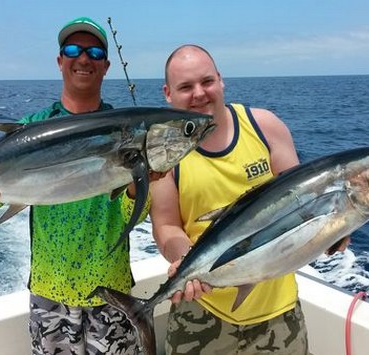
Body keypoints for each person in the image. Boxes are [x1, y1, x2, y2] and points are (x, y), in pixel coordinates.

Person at [0, 17, 150, 354]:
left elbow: (137, 216)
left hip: (111, 292)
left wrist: (138, 183)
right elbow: (2, 193)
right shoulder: (32, 126)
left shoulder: (125, 130)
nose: (83, 58)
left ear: (106, 66)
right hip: (49, 294)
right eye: (73, 49)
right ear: (60, 61)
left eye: (94, 52)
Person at [150, 44, 350, 354]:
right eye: (185, 87)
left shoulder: (265, 127)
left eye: (207, 81)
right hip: (200, 314)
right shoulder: (163, 155)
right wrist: (182, 258)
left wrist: (335, 230)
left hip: (279, 312)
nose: (199, 93)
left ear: (221, 80)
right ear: (168, 93)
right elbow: (166, 225)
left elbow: (305, 203)